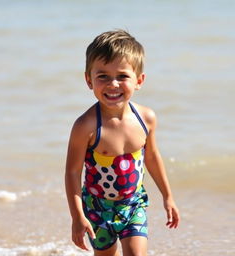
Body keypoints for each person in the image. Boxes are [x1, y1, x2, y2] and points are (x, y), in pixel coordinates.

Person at [65, 29, 180, 256]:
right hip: (97, 208)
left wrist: (168, 196)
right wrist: (77, 216)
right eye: (103, 76)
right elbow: (72, 172)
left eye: (122, 76)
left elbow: (152, 157)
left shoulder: (146, 119)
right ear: (89, 80)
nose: (113, 84)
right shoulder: (85, 126)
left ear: (139, 80)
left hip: (133, 203)